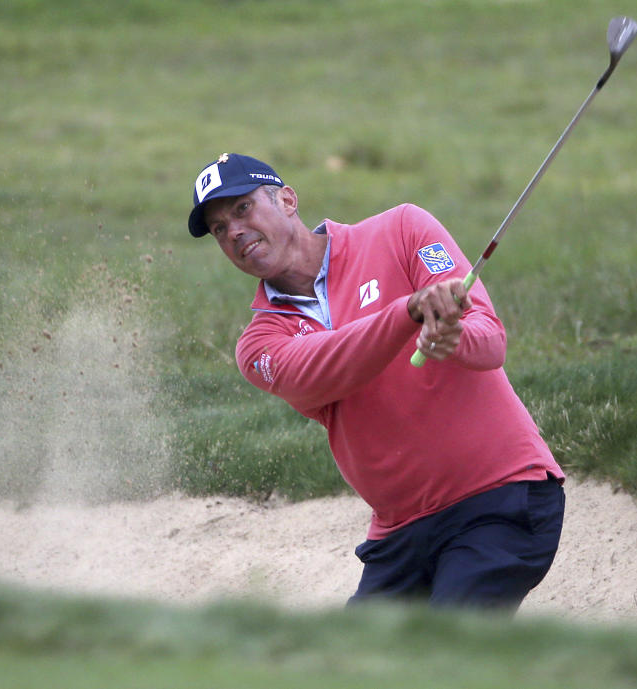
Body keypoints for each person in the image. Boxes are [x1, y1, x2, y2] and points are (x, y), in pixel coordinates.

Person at [187, 152, 565, 610]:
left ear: (287, 199)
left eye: (242, 209)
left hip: (500, 499)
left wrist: (455, 338)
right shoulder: (259, 344)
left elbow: (491, 342)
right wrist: (407, 311)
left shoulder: (402, 229)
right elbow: (323, 367)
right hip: (401, 535)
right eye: (219, 229)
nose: (234, 232)